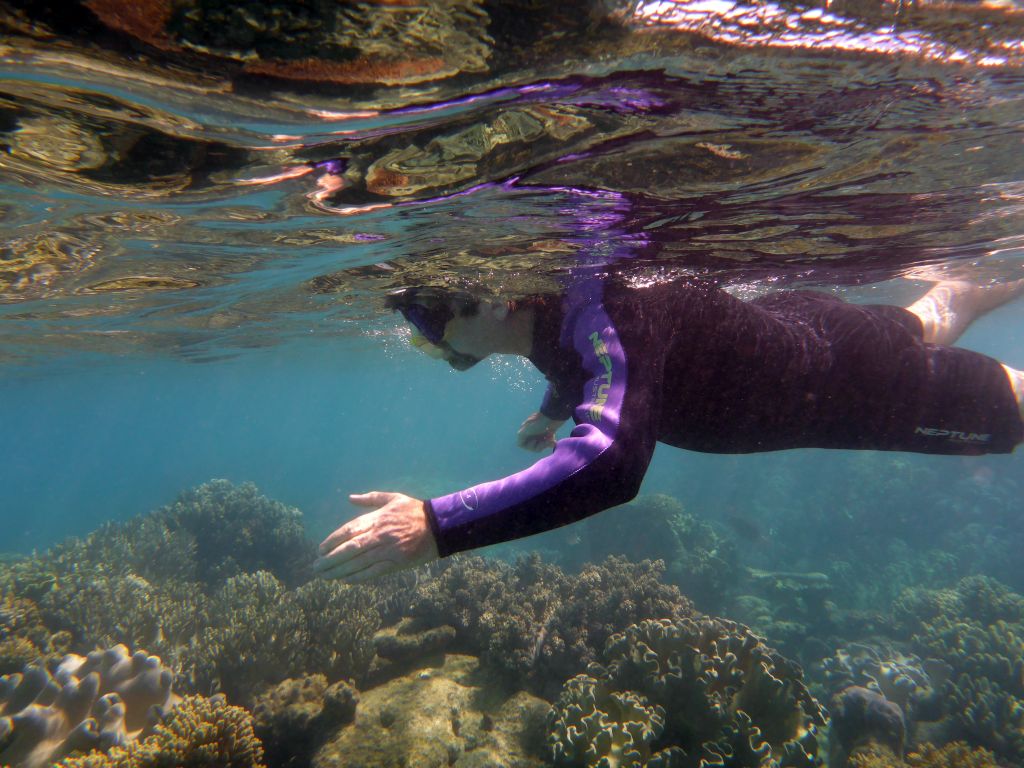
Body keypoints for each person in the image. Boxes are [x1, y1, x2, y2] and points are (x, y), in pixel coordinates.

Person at [312, 272, 1024, 583]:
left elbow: (612, 464)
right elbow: (588, 369)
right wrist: (551, 415)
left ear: (497, 296)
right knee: (917, 324)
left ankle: (961, 293)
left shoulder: (606, 314)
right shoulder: (562, 317)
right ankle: (961, 285)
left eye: (429, 319)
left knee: (1009, 409)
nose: (426, 342)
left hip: (853, 386)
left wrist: (438, 526)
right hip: (814, 327)